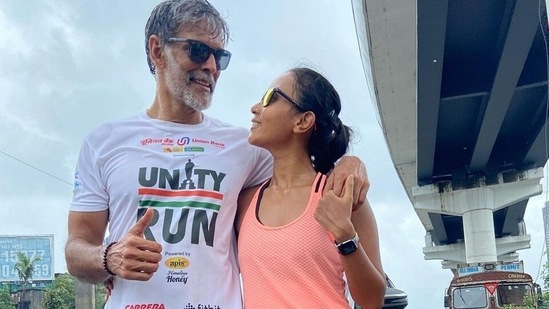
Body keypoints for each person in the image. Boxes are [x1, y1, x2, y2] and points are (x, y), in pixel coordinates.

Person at [64, 0, 369, 308]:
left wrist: (349, 163)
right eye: (198, 51)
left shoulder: (247, 148)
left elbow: (302, 174)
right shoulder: (104, 142)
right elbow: (76, 249)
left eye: (219, 56)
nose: (210, 66)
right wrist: (109, 256)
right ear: (158, 50)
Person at [235, 67, 386, 308]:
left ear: (303, 121)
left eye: (270, 98)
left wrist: (345, 237)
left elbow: (372, 301)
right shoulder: (245, 201)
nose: (255, 107)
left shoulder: (340, 195)